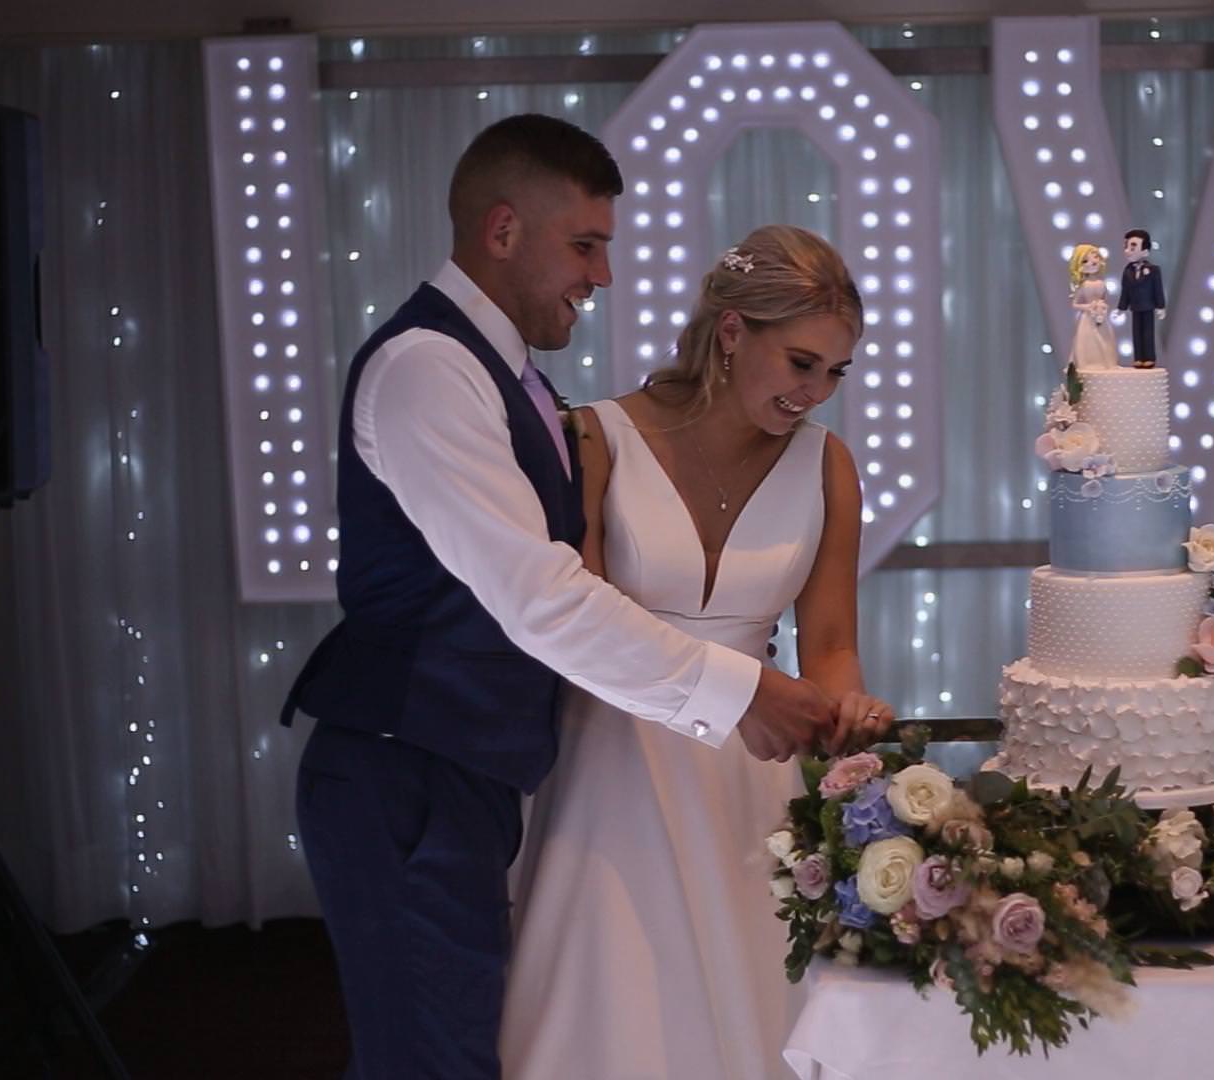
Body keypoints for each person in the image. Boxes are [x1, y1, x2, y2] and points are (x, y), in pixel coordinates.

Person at [278, 115, 839, 1079]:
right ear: (502, 231)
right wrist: (742, 691)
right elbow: (539, 598)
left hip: (461, 771)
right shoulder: (428, 367)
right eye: (584, 246)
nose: (603, 276)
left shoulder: (516, 380)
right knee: (430, 1059)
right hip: (401, 768)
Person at [500, 224, 895, 1080]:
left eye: (835, 372)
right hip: (612, 768)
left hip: (751, 777)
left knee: (751, 1007)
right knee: (614, 1008)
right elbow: (578, 620)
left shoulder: (829, 466)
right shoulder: (593, 437)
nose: (816, 393)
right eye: (801, 363)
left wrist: (846, 711)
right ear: (730, 331)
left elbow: (829, 645)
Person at [1116, 228, 1165, 369]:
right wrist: (1121, 308)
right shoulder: (1127, 271)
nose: (1127, 250)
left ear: (1145, 251)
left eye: (1133, 247)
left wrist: (1160, 306)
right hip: (1135, 307)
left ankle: (1149, 357)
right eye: (1126, 246)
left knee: (1148, 333)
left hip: (1148, 306)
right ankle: (1138, 357)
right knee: (1136, 333)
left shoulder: (1154, 270)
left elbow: (1158, 289)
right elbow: (1125, 291)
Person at [1067, 242, 1121, 370]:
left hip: (1101, 317)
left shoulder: (1102, 283)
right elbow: (1074, 304)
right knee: (1089, 342)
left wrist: (1102, 307)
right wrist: (1087, 307)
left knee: (1105, 340)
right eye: (1086, 260)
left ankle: (1107, 363)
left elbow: (1104, 299)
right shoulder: (1083, 285)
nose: (1092, 262)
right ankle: (1089, 364)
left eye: (1095, 257)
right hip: (1088, 319)